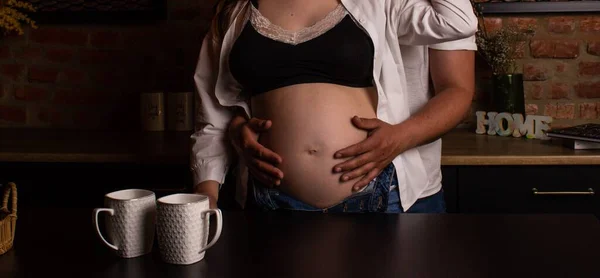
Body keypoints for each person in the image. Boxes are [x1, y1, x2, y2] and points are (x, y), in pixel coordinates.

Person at [191, 0, 477, 212]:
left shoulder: (380, 5)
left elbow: (457, 25)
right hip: (271, 198)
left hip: (381, 192)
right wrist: (205, 199)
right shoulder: (232, 14)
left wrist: (401, 137)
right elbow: (215, 116)